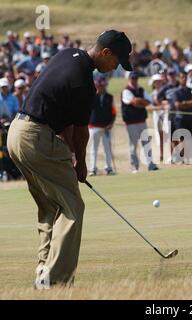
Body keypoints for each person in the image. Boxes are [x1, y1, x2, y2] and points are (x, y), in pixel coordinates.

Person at [7, 30, 134, 289]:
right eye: (115, 62)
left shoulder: (66, 56)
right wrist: (81, 165)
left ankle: (44, 268)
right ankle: (54, 280)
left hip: (17, 133)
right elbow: (79, 131)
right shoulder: (83, 83)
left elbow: (64, 121)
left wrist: (70, 156)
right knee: (73, 208)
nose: (113, 69)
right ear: (105, 53)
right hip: (37, 137)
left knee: (50, 206)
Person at [121, 71, 158, 173]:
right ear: (129, 79)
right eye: (133, 78)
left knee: (146, 144)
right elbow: (134, 102)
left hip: (141, 120)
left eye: (136, 79)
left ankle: (151, 164)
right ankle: (135, 166)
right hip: (131, 122)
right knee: (133, 145)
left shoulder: (141, 89)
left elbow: (149, 101)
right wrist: (142, 102)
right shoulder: (126, 91)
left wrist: (140, 101)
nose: (134, 80)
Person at [88, 75, 116, 176]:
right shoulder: (91, 97)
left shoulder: (110, 97)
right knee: (93, 149)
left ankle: (108, 168)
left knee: (107, 148)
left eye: (103, 85)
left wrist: (111, 123)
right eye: (99, 85)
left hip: (106, 127)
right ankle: (93, 168)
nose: (101, 87)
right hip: (94, 126)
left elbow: (113, 112)